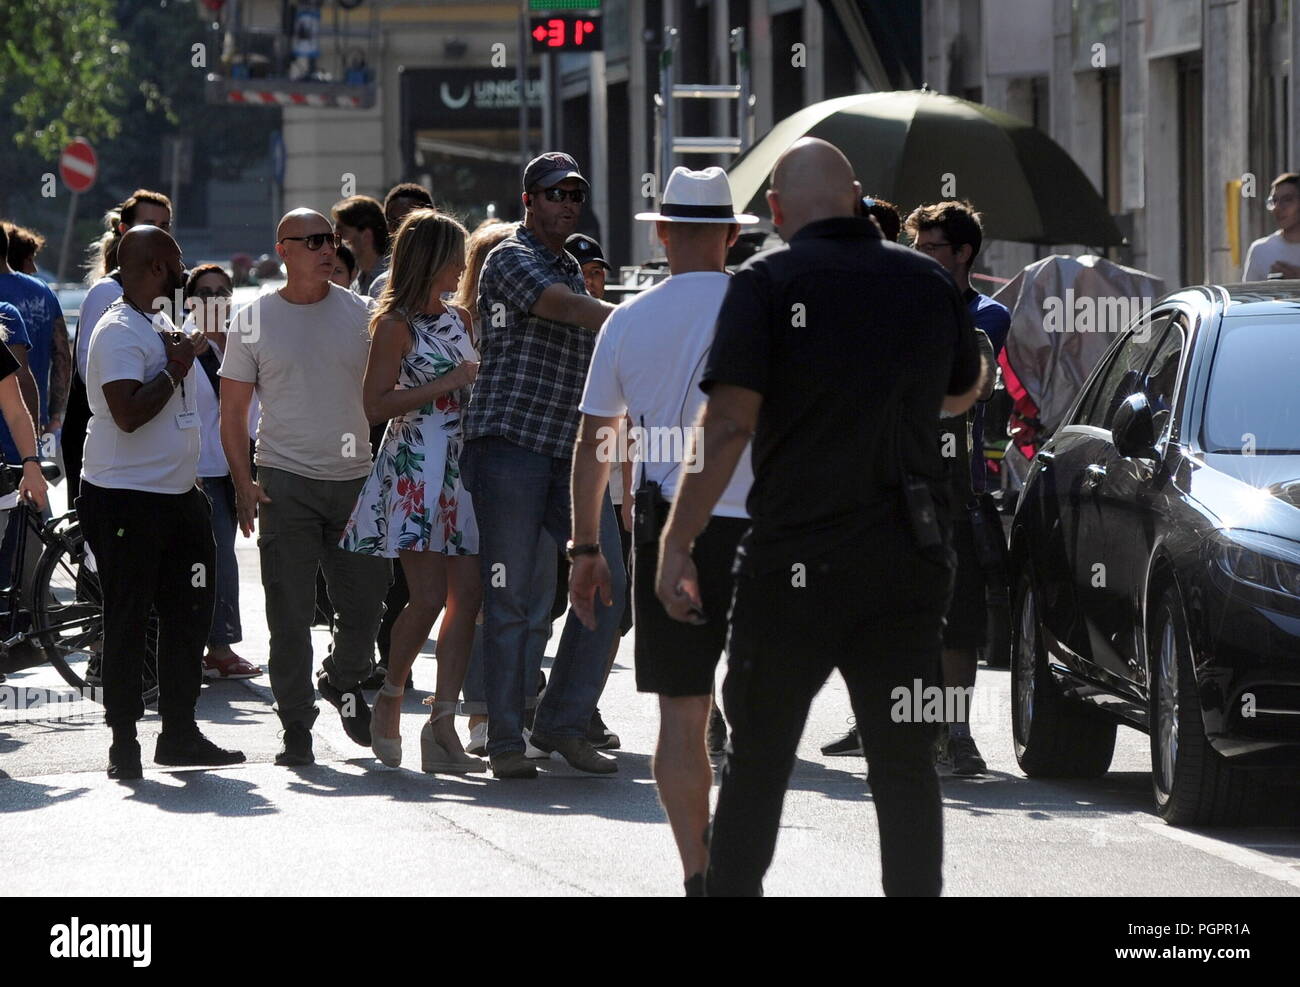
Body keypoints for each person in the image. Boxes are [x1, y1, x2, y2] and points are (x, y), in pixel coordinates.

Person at [657, 138, 986, 897]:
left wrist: (678, 541)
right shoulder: (927, 281)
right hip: (906, 562)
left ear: (773, 211)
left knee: (760, 760)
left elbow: (731, 420)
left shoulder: (767, 282)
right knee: (904, 766)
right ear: (857, 195)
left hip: (790, 564)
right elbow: (962, 392)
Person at [571, 166, 756, 896]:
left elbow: (596, 443)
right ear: (734, 237)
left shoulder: (627, 318)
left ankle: (698, 874)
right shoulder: (767, 309)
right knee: (759, 711)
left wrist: (586, 547)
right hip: (763, 528)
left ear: (666, 234)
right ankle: (741, 866)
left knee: (683, 715)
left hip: (668, 527)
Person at [463, 151, 624, 779]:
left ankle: (560, 723)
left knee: (606, 587)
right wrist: (642, 318)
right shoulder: (511, 257)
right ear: (528, 200)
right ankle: (504, 740)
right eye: (555, 192)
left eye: (576, 194)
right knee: (509, 597)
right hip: (508, 444)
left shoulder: (568, 266)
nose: (567, 202)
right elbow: (564, 307)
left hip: (571, 452)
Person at [219, 209, 393, 766]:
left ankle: (342, 679)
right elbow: (233, 413)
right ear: (284, 249)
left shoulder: (364, 314)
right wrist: (244, 483)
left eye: (332, 240)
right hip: (284, 481)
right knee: (289, 615)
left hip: (355, 481)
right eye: (314, 240)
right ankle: (296, 724)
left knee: (367, 607)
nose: (327, 249)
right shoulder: (253, 319)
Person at [78, 225, 245, 780]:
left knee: (189, 615)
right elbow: (126, 413)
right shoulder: (118, 330)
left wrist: (186, 354)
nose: (182, 273)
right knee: (128, 616)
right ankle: (123, 740)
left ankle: (179, 732)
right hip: (126, 498)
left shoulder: (160, 320)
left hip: (177, 496)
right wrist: (176, 365)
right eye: (175, 264)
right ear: (153, 267)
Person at [341, 210, 484, 772]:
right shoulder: (395, 324)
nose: (462, 266)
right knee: (426, 596)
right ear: (432, 259)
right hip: (414, 464)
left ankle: (442, 725)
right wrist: (445, 383)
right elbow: (374, 406)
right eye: (455, 256)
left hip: (460, 463)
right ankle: (391, 700)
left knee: (467, 598)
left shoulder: (462, 319)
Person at [904, 200, 1008, 776]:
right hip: (898, 482)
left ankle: (957, 731)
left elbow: (966, 365)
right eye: (914, 249)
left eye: (930, 249)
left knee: (959, 619)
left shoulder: (987, 314)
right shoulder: (900, 308)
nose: (919, 258)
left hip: (957, 490)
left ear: (963, 254)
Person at [66, 190, 173, 505]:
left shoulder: (168, 292)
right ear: (125, 231)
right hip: (111, 451)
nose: (160, 232)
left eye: (165, 225)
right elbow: (90, 372)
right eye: (150, 223)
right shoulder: (108, 291)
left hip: (153, 454)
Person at [182, 265, 261, 680]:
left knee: (222, 557)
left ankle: (216, 646)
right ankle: (215, 647)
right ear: (189, 300)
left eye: (222, 292)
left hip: (232, 469)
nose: (214, 300)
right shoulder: (179, 343)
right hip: (194, 471)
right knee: (209, 561)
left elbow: (256, 414)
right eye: (204, 292)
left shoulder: (242, 344)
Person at [365, 183, 436, 303]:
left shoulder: (453, 279)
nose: (399, 229)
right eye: (392, 222)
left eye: (407, 221)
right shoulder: (380, 286)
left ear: (429, 222)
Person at [1244, 173, 1300, 280]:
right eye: (1274, 201)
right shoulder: (1260, 250)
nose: (1277, 208)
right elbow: (1249, 295)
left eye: (1287, 199)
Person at [331, 195, 389, 296]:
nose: (336, 242)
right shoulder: (356, 282)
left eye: (342, 232)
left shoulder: (393, 279)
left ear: (366, 236)